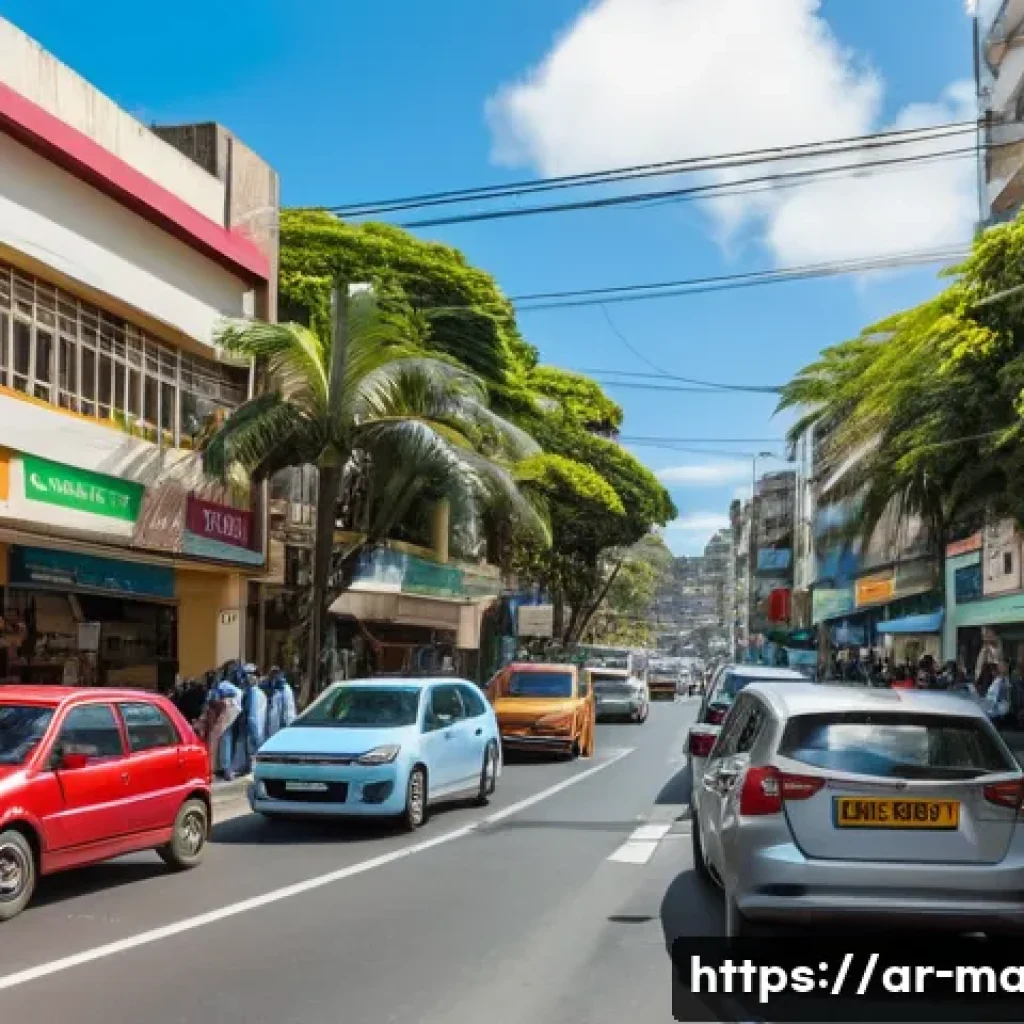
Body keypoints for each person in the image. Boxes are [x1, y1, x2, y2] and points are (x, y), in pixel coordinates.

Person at [236, 664, 267, 776]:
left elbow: (252, 714)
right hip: (253, 727)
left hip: (253, 727)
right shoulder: (253, 692)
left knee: (252, 750)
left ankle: (250, 768)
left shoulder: (253, 692)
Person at [264, 666, 297, 738]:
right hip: (273, 726)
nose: (274, 675)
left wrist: (286, 722)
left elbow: (288, 708)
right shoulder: (271, 688)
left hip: (282, 725)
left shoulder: (285, 689)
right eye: (272, 673)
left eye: (276, 673)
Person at [984, 660, 1012, 728]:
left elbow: (1005, 697)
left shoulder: (1005, 681)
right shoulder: (997, 680)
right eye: (999, 666)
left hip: (999, 713)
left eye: (1002, 666)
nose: (999, 668)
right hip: (992, 711)